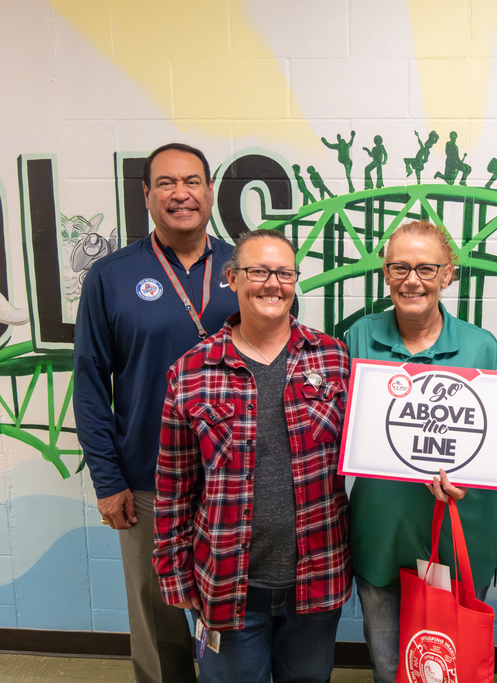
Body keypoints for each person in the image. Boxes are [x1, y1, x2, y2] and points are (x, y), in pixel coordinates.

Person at [153, 230, 351, 683]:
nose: (272, 284)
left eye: (284, 273)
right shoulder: (191, 371)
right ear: (232, 278)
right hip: (225, 583)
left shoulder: (334, 358)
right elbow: (173, 486)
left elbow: (374, 446)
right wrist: (175, 576)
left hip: (317, 581)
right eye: (258, 271)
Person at [73, 143, 239, 683]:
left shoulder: (249, 268)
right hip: (148, 481)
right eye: (165, 183)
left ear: (211, 191)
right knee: (159, 622)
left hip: (235, 479)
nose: (180, 193)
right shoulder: (111, 276)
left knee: (236, 617)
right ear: (146, 195)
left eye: (192, 181)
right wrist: (107, 479)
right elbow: (91, 382)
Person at [344, 220, 497, 683]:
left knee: (449, 667)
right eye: (399, 267)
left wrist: (472, 475)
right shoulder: (358, 337)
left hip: (462, 531)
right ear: (385, 272)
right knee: (390, 666)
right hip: (382, 529)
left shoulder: (481, 347)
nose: (411, 280)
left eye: (426, 268)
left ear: (448, 274)